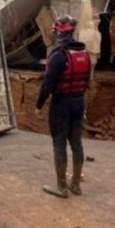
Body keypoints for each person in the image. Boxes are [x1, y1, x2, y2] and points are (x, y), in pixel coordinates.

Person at [35, 15, 92, 198]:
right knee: (76, 143)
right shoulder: (84, 54)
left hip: (61, 104)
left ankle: (61, 187)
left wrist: (39, 105)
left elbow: (48, 84)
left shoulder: (59, 56)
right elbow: (87, 81)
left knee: (59, 143)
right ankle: (75, 185)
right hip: (79, 102)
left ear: (59, 32)